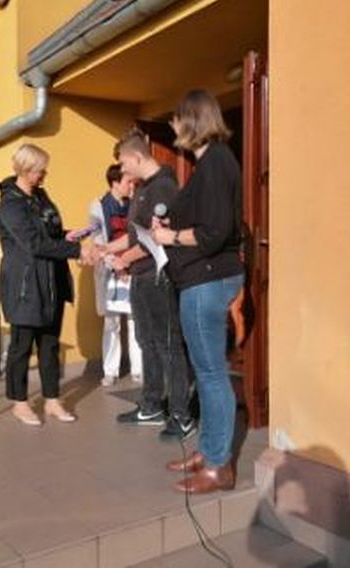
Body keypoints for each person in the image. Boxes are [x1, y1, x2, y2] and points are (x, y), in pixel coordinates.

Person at [152, 90, 245, 493]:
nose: (173, 126)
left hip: (206, 281)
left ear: (191, 121)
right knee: (207, 372)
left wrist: (169, 236)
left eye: (176, 119)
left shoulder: (216, 163)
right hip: (202, 279)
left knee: (210, 374)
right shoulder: (210, 164)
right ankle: (209, 452)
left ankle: (219, 465)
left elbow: (213, 232)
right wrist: (167, 229)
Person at [100, 129, 195, 441]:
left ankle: (181, 415)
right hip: (141, 279)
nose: (123, 170)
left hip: (158, 278)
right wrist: (104, 249)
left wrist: (124, 259)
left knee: (168, 344)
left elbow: (156, 240)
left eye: (124, 163)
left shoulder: (164, 188)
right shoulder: (144, 190)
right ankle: (152, 406)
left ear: (137, 157)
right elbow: (135, 235)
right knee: (147, 341)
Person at [0, 143, 84, 426]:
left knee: (49, 344)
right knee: (21, 347)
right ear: (25, 170)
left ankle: (52, 400)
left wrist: (68, 236)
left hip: (51, 281)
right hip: (25, 286)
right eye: (40, 170)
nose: (44, 174)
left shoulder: (40, 196)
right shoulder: (10, 204)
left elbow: (50, 234)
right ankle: (19, 403)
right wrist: (77, 251)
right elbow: (34, 244)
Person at [89, 164, 143, 387]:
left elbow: (139, 236)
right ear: (115, 183)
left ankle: (138, 369)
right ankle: (110, 370)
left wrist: (128, 263)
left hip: (132, 268)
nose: (132, 186)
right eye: (128, 182)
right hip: (110, 270)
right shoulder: (98, 207)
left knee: (135, 320)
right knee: (111, 323)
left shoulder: (135, 205)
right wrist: (117, 266)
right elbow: (98, 241)